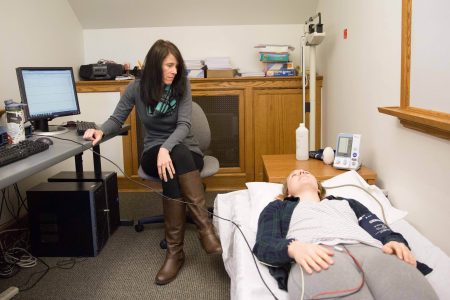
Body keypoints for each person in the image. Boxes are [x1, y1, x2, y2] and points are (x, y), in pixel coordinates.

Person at [83, 39, 222, 285]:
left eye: (176, 66)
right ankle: (204, 229)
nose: (174, 71)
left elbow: (184, 125)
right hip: (153, 153)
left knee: (175, 156)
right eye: (169, 65)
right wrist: (100, 131)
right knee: (168, 162)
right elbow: (117, 118)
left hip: (187, 151)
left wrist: (166, 148)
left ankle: (175, 253)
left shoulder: (182, 85)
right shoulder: (136, 88)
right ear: (156, 65)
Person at [253, 169, 437, 300]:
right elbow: (264, 243)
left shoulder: (348, 203)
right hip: (318, 255)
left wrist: (396, 242)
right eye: (294, 175)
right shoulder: (278, 208)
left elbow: (378, 227)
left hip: (371, 250)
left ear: (318, 187)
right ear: (288, 192)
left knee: (411, 292)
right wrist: (293, 248)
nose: (301, 173)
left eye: (306, 172)